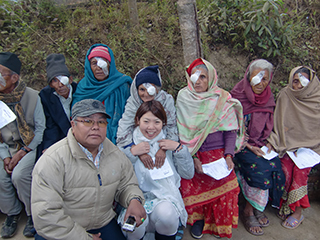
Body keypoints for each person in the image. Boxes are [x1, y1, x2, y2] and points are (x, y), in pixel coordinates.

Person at [31, 99, 146, 240]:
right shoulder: (53, 160)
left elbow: (127, 184)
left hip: (103, 223)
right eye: (87, 121)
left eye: (101, 122)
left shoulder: (115, 154)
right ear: (73, 125)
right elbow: (45, 215)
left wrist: (134, 199)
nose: (96, 127)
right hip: (63, 230)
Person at [176, 58, 244, 239]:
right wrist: (194, 157)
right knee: (191, 179)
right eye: (194, 77)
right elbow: (183, 133)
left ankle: (216, 221)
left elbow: (230, 131)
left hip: (220, 153)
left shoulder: (222, 98)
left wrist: (229, 155)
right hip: (193, 152)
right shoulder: (184, 97)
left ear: (211, 78)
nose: (197, 81)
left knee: (228, 183)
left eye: (202, 77)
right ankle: (198, 220)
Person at [118, 100, 194, 240]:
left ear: (164, 123)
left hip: (164, 198)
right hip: (136, 198)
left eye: (157, 122)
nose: (151, 127)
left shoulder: (169, 143)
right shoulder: (128, 143)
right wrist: (132, 152)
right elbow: (116, 175)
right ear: (137, 121)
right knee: (136, 224)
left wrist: (178, 149)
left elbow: (188, 174)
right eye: (146, 121)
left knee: (168, 215)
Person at [230, 59, 285, 236]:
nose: (261, 84)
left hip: (260, 144)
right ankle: (248, 211)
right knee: (259, 169)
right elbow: (230, 129)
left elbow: (272, 125)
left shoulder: (269, 97)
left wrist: (270, 143)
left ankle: (256, 206)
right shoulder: (237, 95)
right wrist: (248, 145)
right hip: (240, 144)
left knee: (276, 166)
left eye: (265, 79)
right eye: (257, 78)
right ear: (248, 75)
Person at [267, 66, 320, 230]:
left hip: (312, 148)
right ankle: (285, 205)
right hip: (288, 145)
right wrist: (277, 142)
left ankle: (298, 212)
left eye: (303, 82)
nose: (298, 86)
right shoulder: (285, 95)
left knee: (300, 171)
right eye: (295, 81)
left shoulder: (317, 99)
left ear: (311, 83)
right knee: (284, 169)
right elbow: (278, 124)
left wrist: (306, 147)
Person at [0, 52, 45, 238]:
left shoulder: (33, 97)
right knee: (1, 176)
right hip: (7, 147)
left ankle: (32, 214)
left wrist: (22, 152)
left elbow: (41, 129)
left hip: (30, 146)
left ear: (14, 77)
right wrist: (6, 156)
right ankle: (12, 212)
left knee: (19, 175)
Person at [117, 65, 178, 167]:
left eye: (150, 90)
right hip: (138, 141)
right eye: (141, 89)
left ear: (157, 89)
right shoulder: (133, 102)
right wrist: (136, 150)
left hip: (161, 140)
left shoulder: (166, 100)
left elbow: (172, 127)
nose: (146, 94)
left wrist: (163, 149)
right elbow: (124, 128)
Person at [72, 43, 132, 144]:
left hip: (118, 137)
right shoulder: (83, 87)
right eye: (94, 63)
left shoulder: (121, 85)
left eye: (103, 63)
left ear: (110, 64)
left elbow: (129, 114)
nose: (98, 68)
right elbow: (75, 115)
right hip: (88, 137)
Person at [37, 53, 77, 156]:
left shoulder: (80, 91)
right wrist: (49, 146)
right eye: (55, 80)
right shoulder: (45, 95)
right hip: (60, 137)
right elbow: (50, 125)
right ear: (50, 84)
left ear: (70, 79)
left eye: (63, 79)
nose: (60, 85)